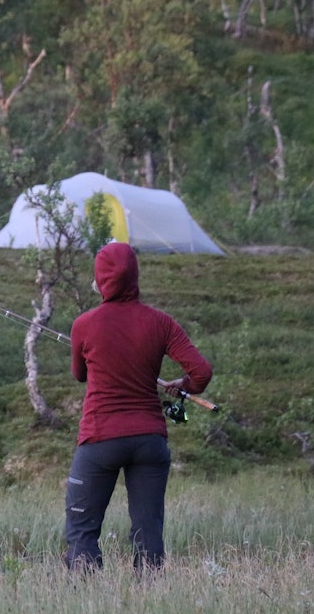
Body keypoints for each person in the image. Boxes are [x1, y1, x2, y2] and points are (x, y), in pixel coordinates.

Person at [64, 241, 213, 573]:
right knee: (149, 531)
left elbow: (79, 375)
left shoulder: (84, 324)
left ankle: (83, 594)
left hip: (100, 437)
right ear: (135, 276)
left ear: (100, 279)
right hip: (149, 439)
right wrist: (183, 385)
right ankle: (150, 593)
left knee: (81, 529)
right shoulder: (161, 323)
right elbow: (201, 373)